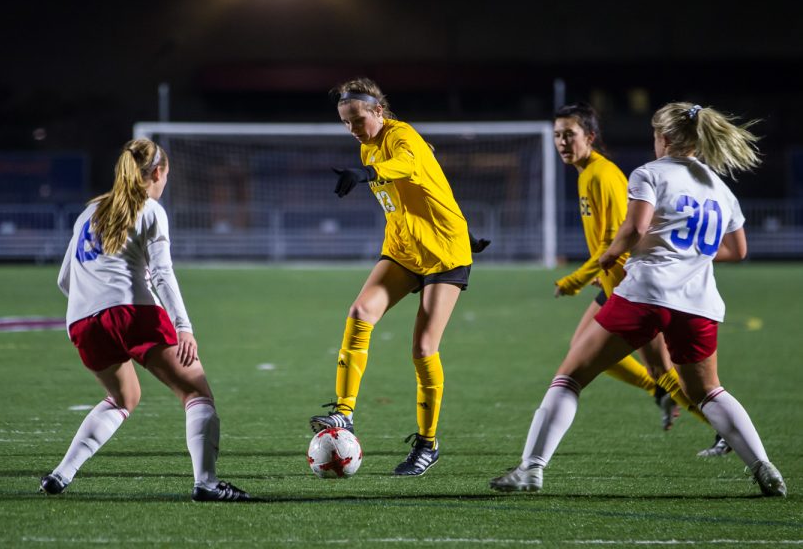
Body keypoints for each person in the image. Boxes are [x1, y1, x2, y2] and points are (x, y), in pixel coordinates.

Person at [490, 102, 785, 497]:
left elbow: (635, 228)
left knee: (570, 377)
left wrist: (610, 255)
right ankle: (765, 468)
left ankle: (531, 468)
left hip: (645, 294)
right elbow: (738, 250)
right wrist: (690, 252)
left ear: (662, 138)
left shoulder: (649, 173)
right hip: (698, 304)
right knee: (710, 391)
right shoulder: (720, 187)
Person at [40, 139, 250, 502]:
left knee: (123, 397)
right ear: (157, 173)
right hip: (132, 313)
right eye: (165, 176)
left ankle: (61, 474)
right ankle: (207, 483)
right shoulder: (150, 208)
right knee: (196, 393)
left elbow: (63, 280)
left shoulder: (89, 211)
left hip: (81, 321)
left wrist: (97, 306)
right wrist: (184, 327)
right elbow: (164, 274)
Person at [309, 77, 485, 476]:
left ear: (379, 111)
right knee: (359, 313)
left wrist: (368, 173)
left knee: (423, 349)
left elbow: (406, 166)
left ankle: (427, 444)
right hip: (404, 250)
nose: (353, 129)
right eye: (345, 122)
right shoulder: (368, 143)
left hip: (443, 256)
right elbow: (429, 185)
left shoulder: (401, 136)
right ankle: (344, 413)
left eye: (357, 120)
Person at [552, 103, 726, 454]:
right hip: (614, 281)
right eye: (557, 135)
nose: (562, 142)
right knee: (589, 354)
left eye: (569, 135)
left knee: (662, 369)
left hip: (636, 287)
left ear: (590, 136)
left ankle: (723, 430)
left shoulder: (603, 175)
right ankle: (663, 394)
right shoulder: (587, 174)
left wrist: (575, 279)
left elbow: (619, 236)